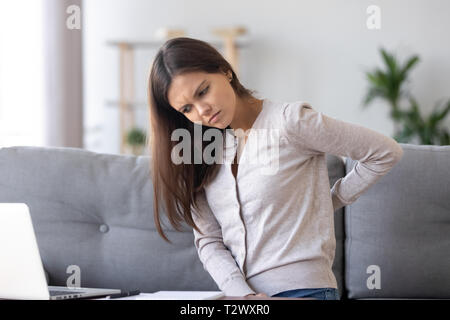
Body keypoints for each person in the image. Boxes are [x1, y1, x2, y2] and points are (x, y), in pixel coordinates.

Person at [147, 37, 403, 300]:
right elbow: (209, 241)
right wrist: (244, 296)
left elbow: (384, 152)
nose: (202, 111)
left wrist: (328, 201)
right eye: (187, 108)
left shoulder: (289, 122)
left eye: (203, 91)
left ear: (225, 71)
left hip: (307, 290)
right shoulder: (200, 152)